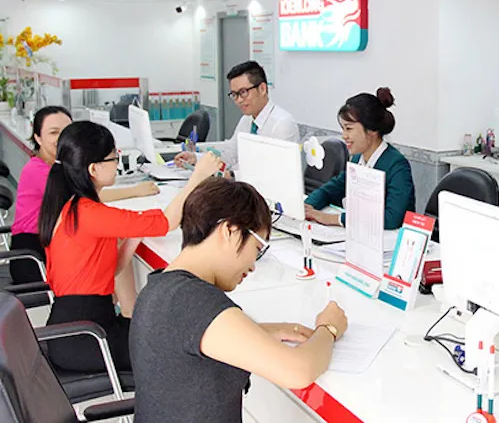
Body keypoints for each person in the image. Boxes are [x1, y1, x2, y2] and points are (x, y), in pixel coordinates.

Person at [130, 177, 348, 422]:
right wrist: (328, 328)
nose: (253, 266)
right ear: (230, 231)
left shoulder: (162, 286)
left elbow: (191, 337)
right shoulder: (193, 301)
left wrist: (264, 331)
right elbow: (299, 371)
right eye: (257, 249)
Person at [38, 121, 223, 373]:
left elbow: (111, 269)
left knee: (161, 333)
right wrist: (198, 176)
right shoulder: (89, 213)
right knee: (180, 350)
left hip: (76, 331)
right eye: (114, 158)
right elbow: (167, 222)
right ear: (94, 168)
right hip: (88, 339)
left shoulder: (71, 206)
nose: (117, 163)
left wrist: (137, 231)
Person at [10, 106, 159, 284]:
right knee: (107, 244)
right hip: (33, 256)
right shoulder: (38, 170)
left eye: (66, 131)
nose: (62, 138)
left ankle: (124, 302)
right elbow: (83, 196)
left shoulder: (61, 166)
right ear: (37, 138)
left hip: (51, 246)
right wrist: (134, 191)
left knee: (110, 242)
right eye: (53, 132)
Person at [304, 87, 416, 230]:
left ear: (372, 130)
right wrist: (307, 207)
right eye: (343, 129)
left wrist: (333, 219)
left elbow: (391, 218)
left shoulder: (397, 165)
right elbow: (331, 190)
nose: (344, 136)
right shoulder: (357, 159)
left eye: (349, 129)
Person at [174, 61, 299, 170]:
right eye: (234, 94)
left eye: (243, 92)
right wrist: (196, 158)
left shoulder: (282, 124)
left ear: (262, 89)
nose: (239, 100)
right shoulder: (247, 119)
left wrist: (233, 175)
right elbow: (231, 155)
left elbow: (273, 171)